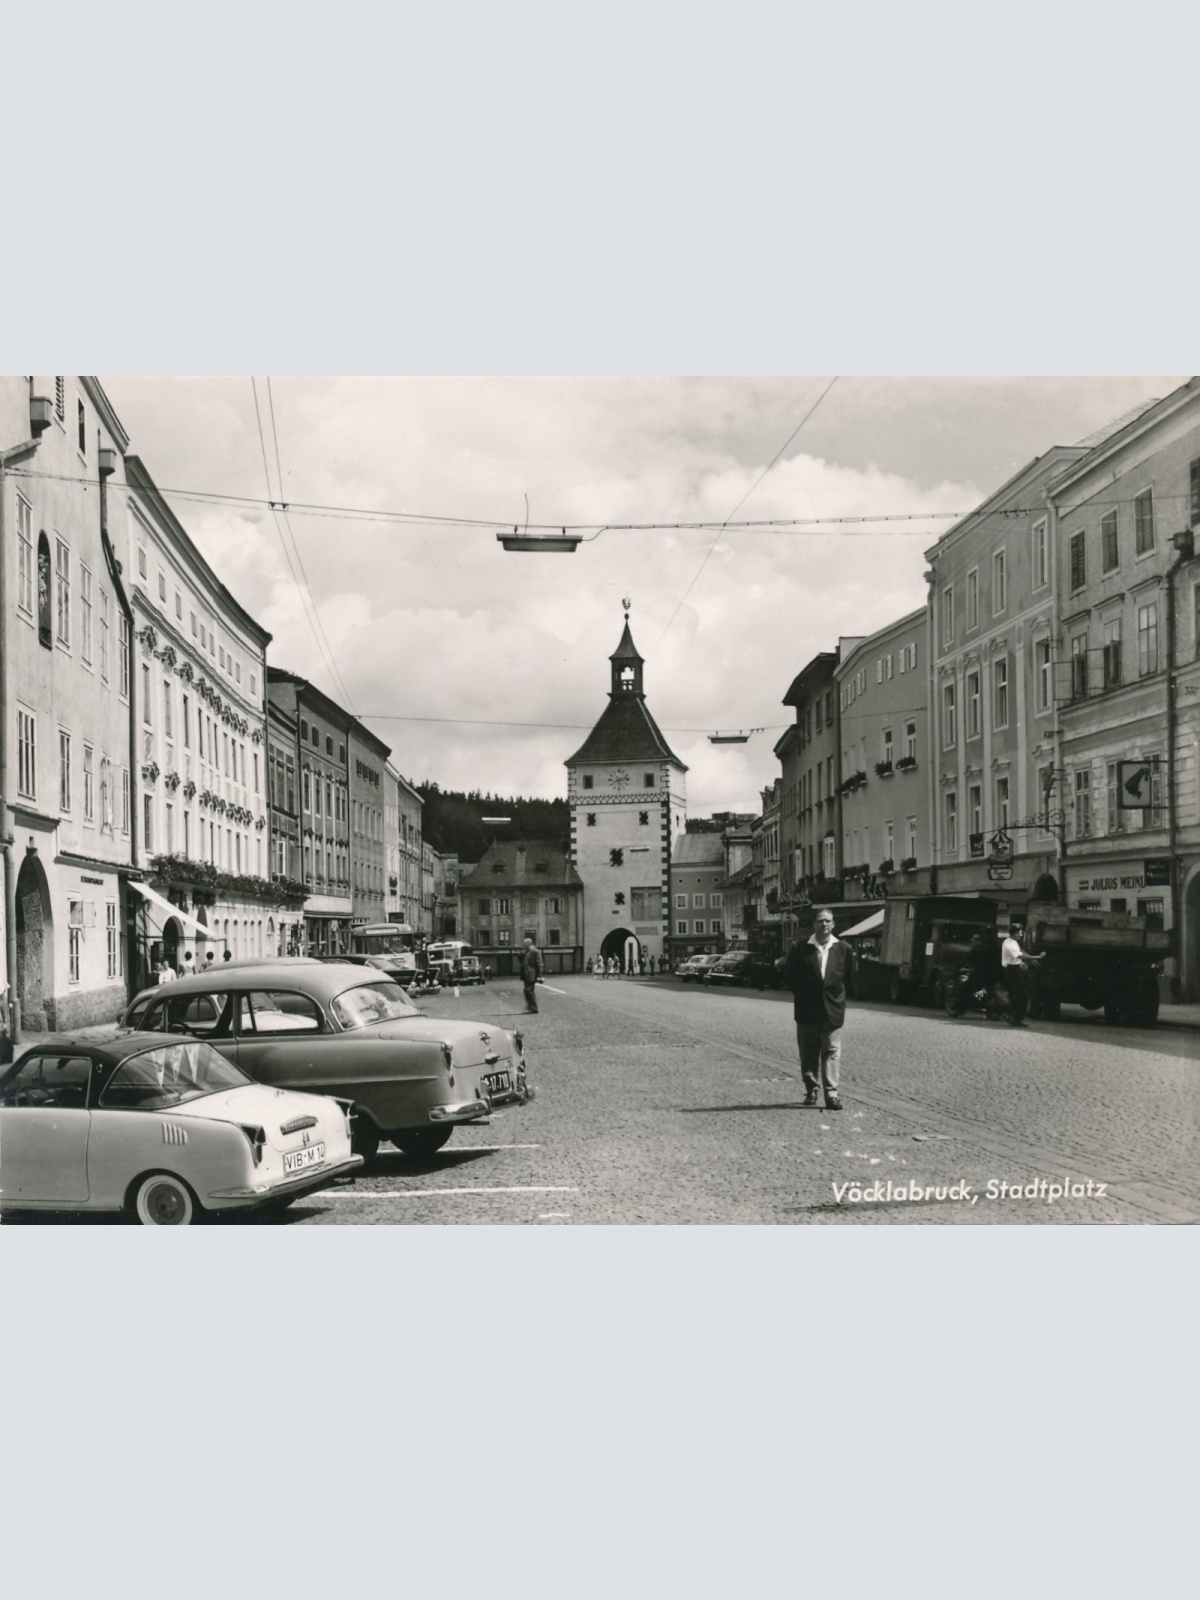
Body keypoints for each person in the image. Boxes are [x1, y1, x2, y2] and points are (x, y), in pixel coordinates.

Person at [776, 908, 854, 1111]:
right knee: (808, 1052)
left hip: (832, 1010)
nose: (824, 925)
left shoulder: (844, 949)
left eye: (828, 921)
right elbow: (789, 978)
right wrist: (804, 995)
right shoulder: (800, 949)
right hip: (807, 1010)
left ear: (833, 924)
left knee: (831, 1050)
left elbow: (849, 980)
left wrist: (838, 1000)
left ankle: (831, 1094)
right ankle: (811, 1090)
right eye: (820, 921)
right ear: (814, 924)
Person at [1000, 922, 1040, 1026]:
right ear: (1014, 933)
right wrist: (1036, 957)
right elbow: (1020, 956)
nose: (1021, 935)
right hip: (1012, 970)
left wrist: (1030, 959)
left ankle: (1016, 1018)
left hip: (1016, 969)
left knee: (1021, 994)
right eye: (1020, 933)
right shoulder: (1009, 944)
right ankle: (1008, 1013)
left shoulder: (1013, 942)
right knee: (1020, 993)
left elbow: (1021, 951)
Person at [518, 936, 543, 1014]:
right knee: (527, 991)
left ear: (529, 944)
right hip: (526, 974)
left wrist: (539, 975)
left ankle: (533, 1008)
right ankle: (530, 1007)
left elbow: (539, 964)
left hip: (531, 974)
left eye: (524, 945)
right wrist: (520, 955)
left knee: (529, 990)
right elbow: (522, 962)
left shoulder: (535, 952)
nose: (523, 946)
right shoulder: (526, 952)